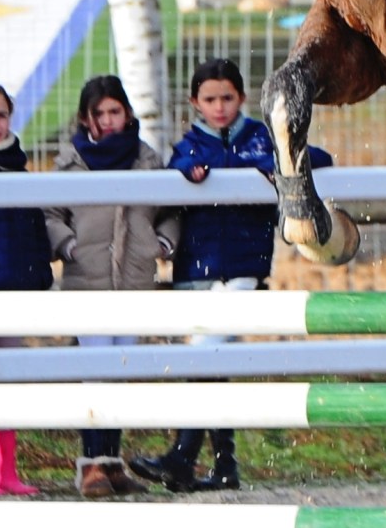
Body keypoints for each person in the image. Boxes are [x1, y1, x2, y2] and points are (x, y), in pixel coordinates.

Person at [130, 58, 332, 493]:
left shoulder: (262, 138)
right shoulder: (188, 147)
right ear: (195, 102)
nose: (219, 107)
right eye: (210, 99)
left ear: (241, 98)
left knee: (205, 357)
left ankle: (182, 456)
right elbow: (168, 187)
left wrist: (271, 164)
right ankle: (224, 466)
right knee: (211, 367)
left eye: (227, 97)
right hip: (194, 272)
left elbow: (319, 159)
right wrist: (185, 175)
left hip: (243, 270)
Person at [44, 75, 179, 500]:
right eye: (98, 112)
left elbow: (169, 210)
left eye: (114, 111)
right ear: (86, 117)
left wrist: (161, 244)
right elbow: (50, 214)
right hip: (88, 281)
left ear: (126, 113)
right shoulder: (69, 162)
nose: (107, 120)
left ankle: (113, 462)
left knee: (119, 373)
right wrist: (68, 247)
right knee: (95, 374)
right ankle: (90, 465)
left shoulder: (147, 159)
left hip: (135, 279)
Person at [0, 80, 52, 497]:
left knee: (10, 379)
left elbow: (30, 220)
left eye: (1, 114)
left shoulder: (16, 161)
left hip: (15, 285)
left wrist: (40, 272)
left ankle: (6, 472)